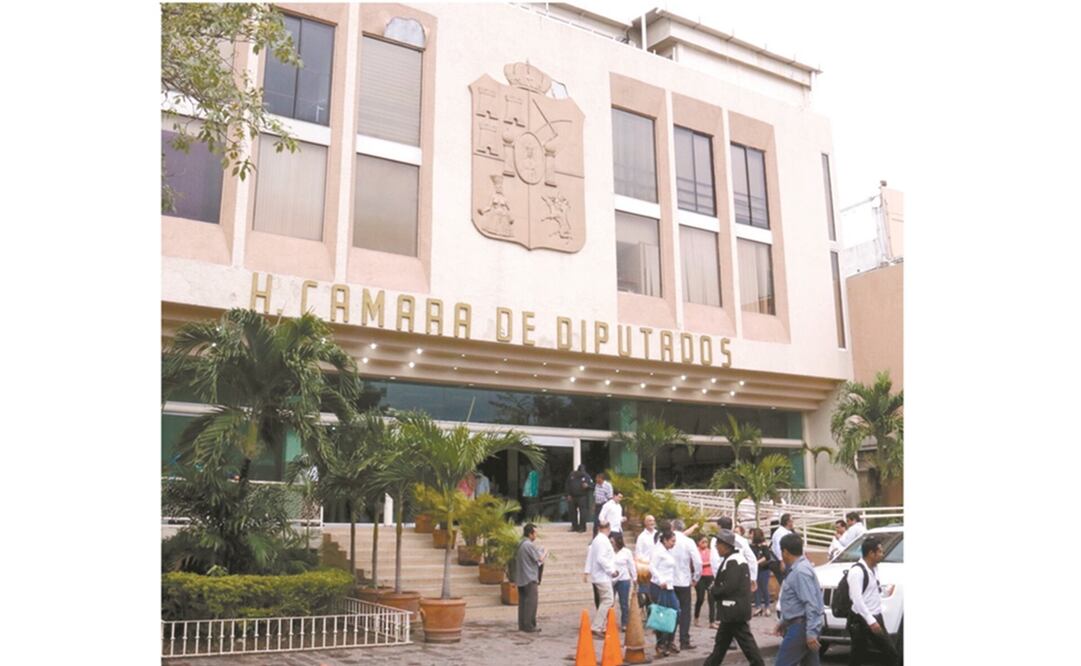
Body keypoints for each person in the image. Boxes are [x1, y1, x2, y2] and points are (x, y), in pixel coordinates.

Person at [703, 530, 765, 666]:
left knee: (746, 645)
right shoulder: (733, 559)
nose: (716, 547)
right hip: (732, 610)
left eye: (718, 544)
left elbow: (729, 586)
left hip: (733, 610)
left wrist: (714, 591)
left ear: (726, 546)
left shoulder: (734, 561)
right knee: (721, 646)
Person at [845, 536, 899, 665]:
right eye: (879, 552)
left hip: (875, 616)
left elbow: (872, 592)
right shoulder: (857, 572)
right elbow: (857, 599)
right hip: (860, 619)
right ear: (871, 553)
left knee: (890, 654)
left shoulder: (874, 568)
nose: (882, 554)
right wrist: (871, 621)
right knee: (859, 656)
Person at [774, 533, 825, 666]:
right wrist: (783, 621)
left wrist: (811, 632)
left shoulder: (800, 571)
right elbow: (796, 601)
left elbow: (811, 603)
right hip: (801, 625)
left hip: (801, 628)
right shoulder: (799, 568)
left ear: (785, 552)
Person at [669, 518, 702, 652]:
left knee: (670, 611)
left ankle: (669, 640)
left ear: (672, 528)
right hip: (683, 580)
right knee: (685, 611)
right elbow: (698, 562)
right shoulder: (688, 542)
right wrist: (696, 577)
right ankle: (684, 640)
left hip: (670, 580)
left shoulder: (667, 540)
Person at [583, 520, 619, 637]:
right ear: (608, 528)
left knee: (606, 600)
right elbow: (601, 558)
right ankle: (597, 626)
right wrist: (611, 571)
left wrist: (587, 571)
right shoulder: (602, 541)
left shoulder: (597, 540)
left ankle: (601, 625)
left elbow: (591, 556)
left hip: (599, 575)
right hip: (602, 576)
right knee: (608, 600)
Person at [648, 528, 680, 658]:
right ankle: (660, 643)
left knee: (676, 612)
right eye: (672, 541)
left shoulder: (667, 552)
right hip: (659, 587)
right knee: (661, 615)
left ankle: (669, 640)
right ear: (665, 540)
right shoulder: (658, 551)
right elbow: (652, 566)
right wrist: (660, 579)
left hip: (669, 586)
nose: (674, 544)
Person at [711, 516, 758, 599]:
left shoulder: (716, 540)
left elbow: (714, 560)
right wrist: (753, 578)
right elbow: (752, 559)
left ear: (719, 526)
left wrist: (717, 578)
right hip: (740, 575)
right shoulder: (741, 540)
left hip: (724, 576)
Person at [512, 523, 546, 633]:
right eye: (535, 533)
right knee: (531, 603)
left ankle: (522, 625)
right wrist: (544, 553)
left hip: (522, 577)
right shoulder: (528, 545)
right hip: (529, 577)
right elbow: (539, 558)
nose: (536, 535)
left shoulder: (521, 544)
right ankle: (529, 625)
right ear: (530, 534)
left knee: (523, 603)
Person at [610, 532, 636, 632]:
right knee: (609, 601)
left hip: (624, 579)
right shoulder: (609, 551)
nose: (611, 544)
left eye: (612, 542)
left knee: (624, 602)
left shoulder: (626, 552)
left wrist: (635, 577)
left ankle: (625, 622)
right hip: (611, 579)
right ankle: (609, 621)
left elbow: (631, 565)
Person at [694, 536, 717, 628]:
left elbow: (714, 562)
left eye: (706, 542)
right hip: (700, 577)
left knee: (712, 599)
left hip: (710, 576)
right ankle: (696, 617)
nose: (705, 544)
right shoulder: (696, 551)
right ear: (698, 542)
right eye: (703, 542)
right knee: (700, 598)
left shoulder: (711, 552)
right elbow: (696, 563)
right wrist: (707, 563)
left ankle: (712, 621)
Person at [750, 528, 773, 617]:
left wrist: (757, 562)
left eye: (752, 534)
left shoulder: (763, 545)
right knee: (756, 587)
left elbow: (767, 556)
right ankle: (758, 606)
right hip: (755, 570)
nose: (750, 535)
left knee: (764, 587)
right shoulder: (751, 546)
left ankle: (767, 606)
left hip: (764, 568)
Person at [565, 464, 591, 532]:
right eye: (580, 472)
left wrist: (587, 486)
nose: (581, 473)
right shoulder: (572, 475)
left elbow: (592, 485)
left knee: (583, 513)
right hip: (572, 497)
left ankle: (582, 527)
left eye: (583, 472)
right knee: (572, 513)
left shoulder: (586, 476)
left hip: (582, 497)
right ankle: (574, 527)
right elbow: (567, 485)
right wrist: (568, 494)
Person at [770, 513, 794, 584]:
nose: (793, 523)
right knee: (785, 583)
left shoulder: (788, 532)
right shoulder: (780, 533)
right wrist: (781, 561)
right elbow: (778, 548)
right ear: (787, 522)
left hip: (787, 560)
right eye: (791, 521)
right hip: (780, 561)